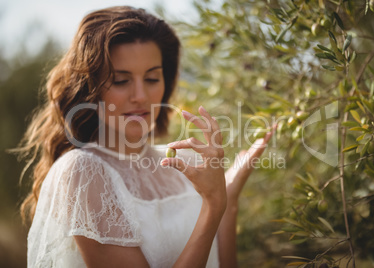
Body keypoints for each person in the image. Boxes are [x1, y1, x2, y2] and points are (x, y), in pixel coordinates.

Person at [16, 6, 274, 268]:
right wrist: (214, 205)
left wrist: (227, 200)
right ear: (89, 88)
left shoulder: (183, 160)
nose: (140, 95)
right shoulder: (83, 172)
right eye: (120, 80)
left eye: (152, 78)